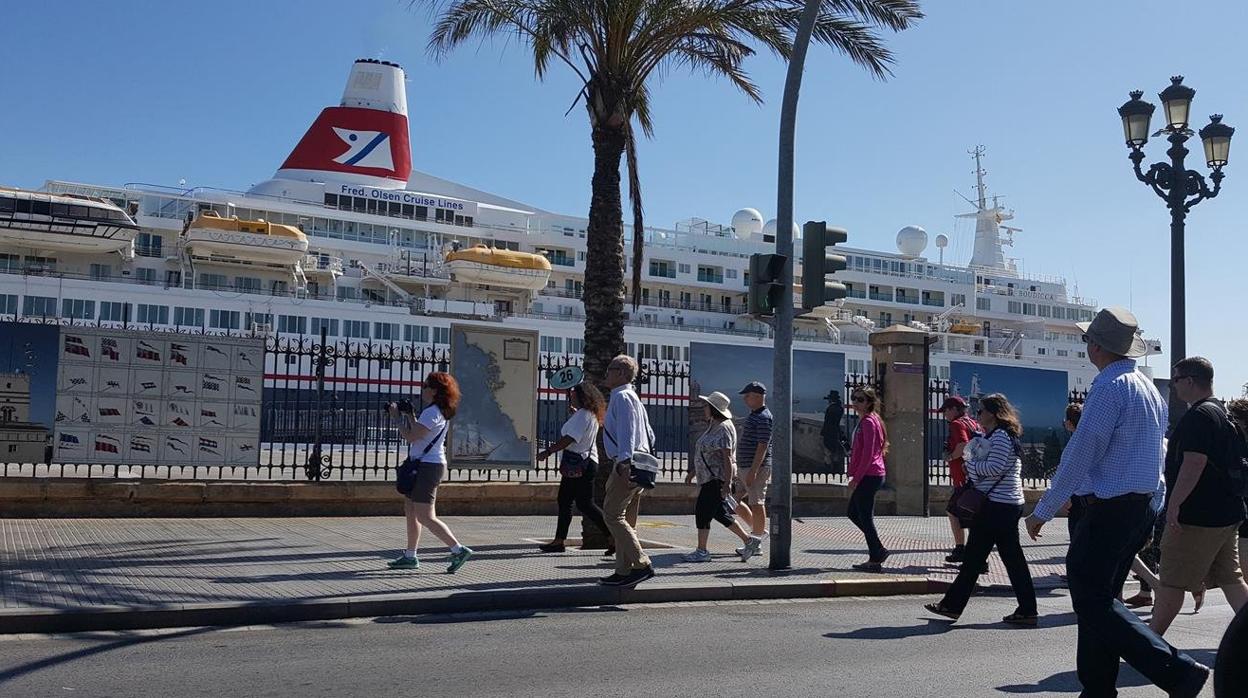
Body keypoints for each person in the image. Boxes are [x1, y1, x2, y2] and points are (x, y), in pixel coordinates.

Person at [1024, 307, 1209, 697]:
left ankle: (1177, 671)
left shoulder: (1109, 388)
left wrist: (1043, 509)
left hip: (1109, 509)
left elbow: (1081, 453)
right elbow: (1156, 455)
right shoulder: (1148, 388)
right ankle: (1097, 688)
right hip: (1137, 506)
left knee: (1091, 601)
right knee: (1102, 602)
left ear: (1095, 347)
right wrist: (1153, 505)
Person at [1149, 357, 1248, 636]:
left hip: (1198, 516)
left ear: (1190, 381)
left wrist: (1174, 506)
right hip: (1227, 513)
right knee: (1232, 580)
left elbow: (1193, 463)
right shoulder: (1222, 414)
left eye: (1176, 380)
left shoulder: (1198, 417)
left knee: (1171, 583)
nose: (1173, 386)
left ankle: (1149, 644)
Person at [925, 393, 1038, 625]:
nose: (978, 415)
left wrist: (970, 465)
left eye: (981, 411)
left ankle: (952, 606)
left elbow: (995, 467)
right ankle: (1027, 609)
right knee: (1009, 559)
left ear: (993, 413)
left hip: (996, 506)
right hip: (1006, 504)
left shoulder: (1000, 437)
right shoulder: (1004, 435)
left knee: (975, 559)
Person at [387, 372, 474, 574]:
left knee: (425, 516)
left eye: (425, 386)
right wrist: (410, 415)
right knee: (411, 510)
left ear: (434, 390)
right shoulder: (436, 411)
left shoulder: (433, 412)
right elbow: (421, 433)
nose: (423, 389)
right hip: (424, 464)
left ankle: (458, 550)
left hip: (428, 467)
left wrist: (397, 418)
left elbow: (411, 436)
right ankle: (410, 555)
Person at [599, 355, 658, 588]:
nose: (606, 373)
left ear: (622, 373)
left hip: (627, 465)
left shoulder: (622, 397)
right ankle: (623, 570)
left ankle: (641, 564)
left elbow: (627, 431)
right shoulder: (632, 397)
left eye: (610, 369)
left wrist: (624, 462)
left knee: (612, 515)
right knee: (627, 520)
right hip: (639, 465)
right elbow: (650, 434)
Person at [684, 391, 761, 562]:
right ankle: (750, 542)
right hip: (708, 478)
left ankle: (702, 551)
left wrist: (727, 484)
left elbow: (726, 457)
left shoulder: (725, 427)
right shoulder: (713, 425)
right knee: (720, 513)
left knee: (702, 513)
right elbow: (705, 453)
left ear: (713, 409)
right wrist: (693, 473)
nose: (704, 408)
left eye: (706, 406)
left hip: (716, 479)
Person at [536, 382, 610, 553]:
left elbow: (569, 438)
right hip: (585, 462)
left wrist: (547, 451)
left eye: (574, 395)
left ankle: (612, 535)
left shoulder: (583, 415)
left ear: (583, 397)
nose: (571, 397)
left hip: (580, 463)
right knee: (568, 501)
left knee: (582, 503)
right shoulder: (588, 415)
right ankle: (559, 540)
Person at [847, 386, 889, 571]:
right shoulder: (868, 420)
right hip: (870, 474)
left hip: (870, 475)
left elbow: (868, 453)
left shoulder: (869, 422)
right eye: (854, 398)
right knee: (856, 513)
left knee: (863, 515)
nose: (856, 402)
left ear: (870, 402)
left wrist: (856, 478)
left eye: (860, 399)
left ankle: (876, 555)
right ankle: (877, 549)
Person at [733, 381, 772, 554]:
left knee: (757, 502)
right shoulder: (755, 415)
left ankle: (755, 542)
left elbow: (762, 445)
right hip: (745, 466)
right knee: (732, 500)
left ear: (757, 397)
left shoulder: (763, 417)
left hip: (754, 467)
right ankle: (758, 532)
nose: (744, 399)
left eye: (747, 396)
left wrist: (754, 470)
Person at [941, 396, 981, 564]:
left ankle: (962, 550)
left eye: (946, 410)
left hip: (963, 478)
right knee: (972, 517)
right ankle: (973, 555)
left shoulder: (957, 424)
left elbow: (963, 446)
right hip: (975, 477)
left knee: (953, 512)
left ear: (954, 409)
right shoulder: (974, 423)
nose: (944, 414)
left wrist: (950, 457)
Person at [822, 390, 847, 471]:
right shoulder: (840, 408)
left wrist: (823, 432)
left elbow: (827, 422)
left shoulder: (830, 408)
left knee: (827, 452)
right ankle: (835, 468)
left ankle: (828, 468)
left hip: (829, 432)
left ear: (831, 399)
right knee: (835, 451)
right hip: (836, 432)